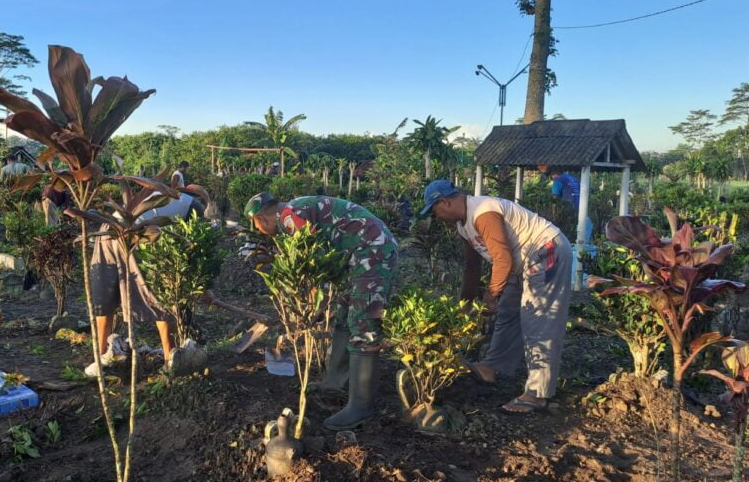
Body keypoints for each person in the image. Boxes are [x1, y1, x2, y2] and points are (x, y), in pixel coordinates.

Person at [245, 192, 398, 431]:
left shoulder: (289, 216)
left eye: (256, 225)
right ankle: (335, 380)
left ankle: (361, 406)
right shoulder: (296, 207)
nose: (260, 231)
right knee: (345, 314)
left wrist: (315, 300)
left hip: (372, 252)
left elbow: (312, 257)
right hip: (359, 253)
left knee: (364, 323)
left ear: (261, 219)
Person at [420, 179, 572, 414]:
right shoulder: (463, 226)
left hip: (546, 250)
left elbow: (502, 259)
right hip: (521, 262)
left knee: (538, 320)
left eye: (434, 210)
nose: (436, 217)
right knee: (508, 314)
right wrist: (465, 307)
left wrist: (491, 296)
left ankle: (537, 394)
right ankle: (492, 367)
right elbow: (472, 267)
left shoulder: (483, 212)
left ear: (445, 202)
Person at [84, 186, 211, 378]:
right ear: (199, 198)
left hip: (109, 228)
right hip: (137, 232)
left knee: (106, 296)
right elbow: (196, 250)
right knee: (160, 293)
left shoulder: (165, 196)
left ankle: (100, 357)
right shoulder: (195, 206)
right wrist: (204, 288)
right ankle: (171, 359)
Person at [539, 165, 593, 240]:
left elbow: (554, 198)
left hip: (568, 208)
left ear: (552, 175)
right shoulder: (573, 178)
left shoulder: (557, 180)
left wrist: (554, 214)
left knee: (566, 233)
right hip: (581, 209)